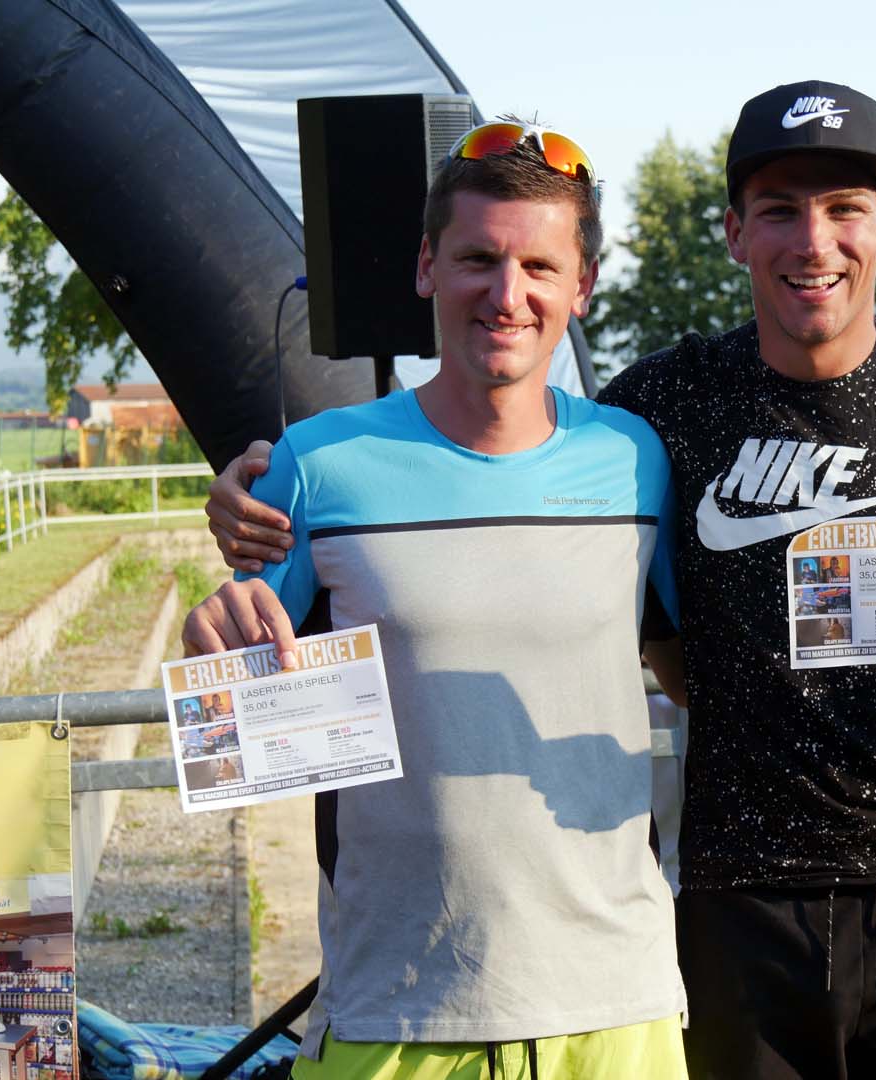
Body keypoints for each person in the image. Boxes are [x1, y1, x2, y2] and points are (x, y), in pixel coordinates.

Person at [206, 81, 876, 1078]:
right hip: (730, 905)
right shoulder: (657, 416)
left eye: (845, 207)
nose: (813, 240)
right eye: (778, 209)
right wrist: (247, 529)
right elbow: (654, 640)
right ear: (734, 233)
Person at [182, 121, 687, 1080]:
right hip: (395, 1006)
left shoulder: (636, 458)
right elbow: (234, 722)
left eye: (539, 266)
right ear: (426, 266)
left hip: (616, 1008)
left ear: (581, 286)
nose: (507, 294)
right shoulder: (316, 462)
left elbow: (702, 672)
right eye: (477, 260)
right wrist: (209, 644)